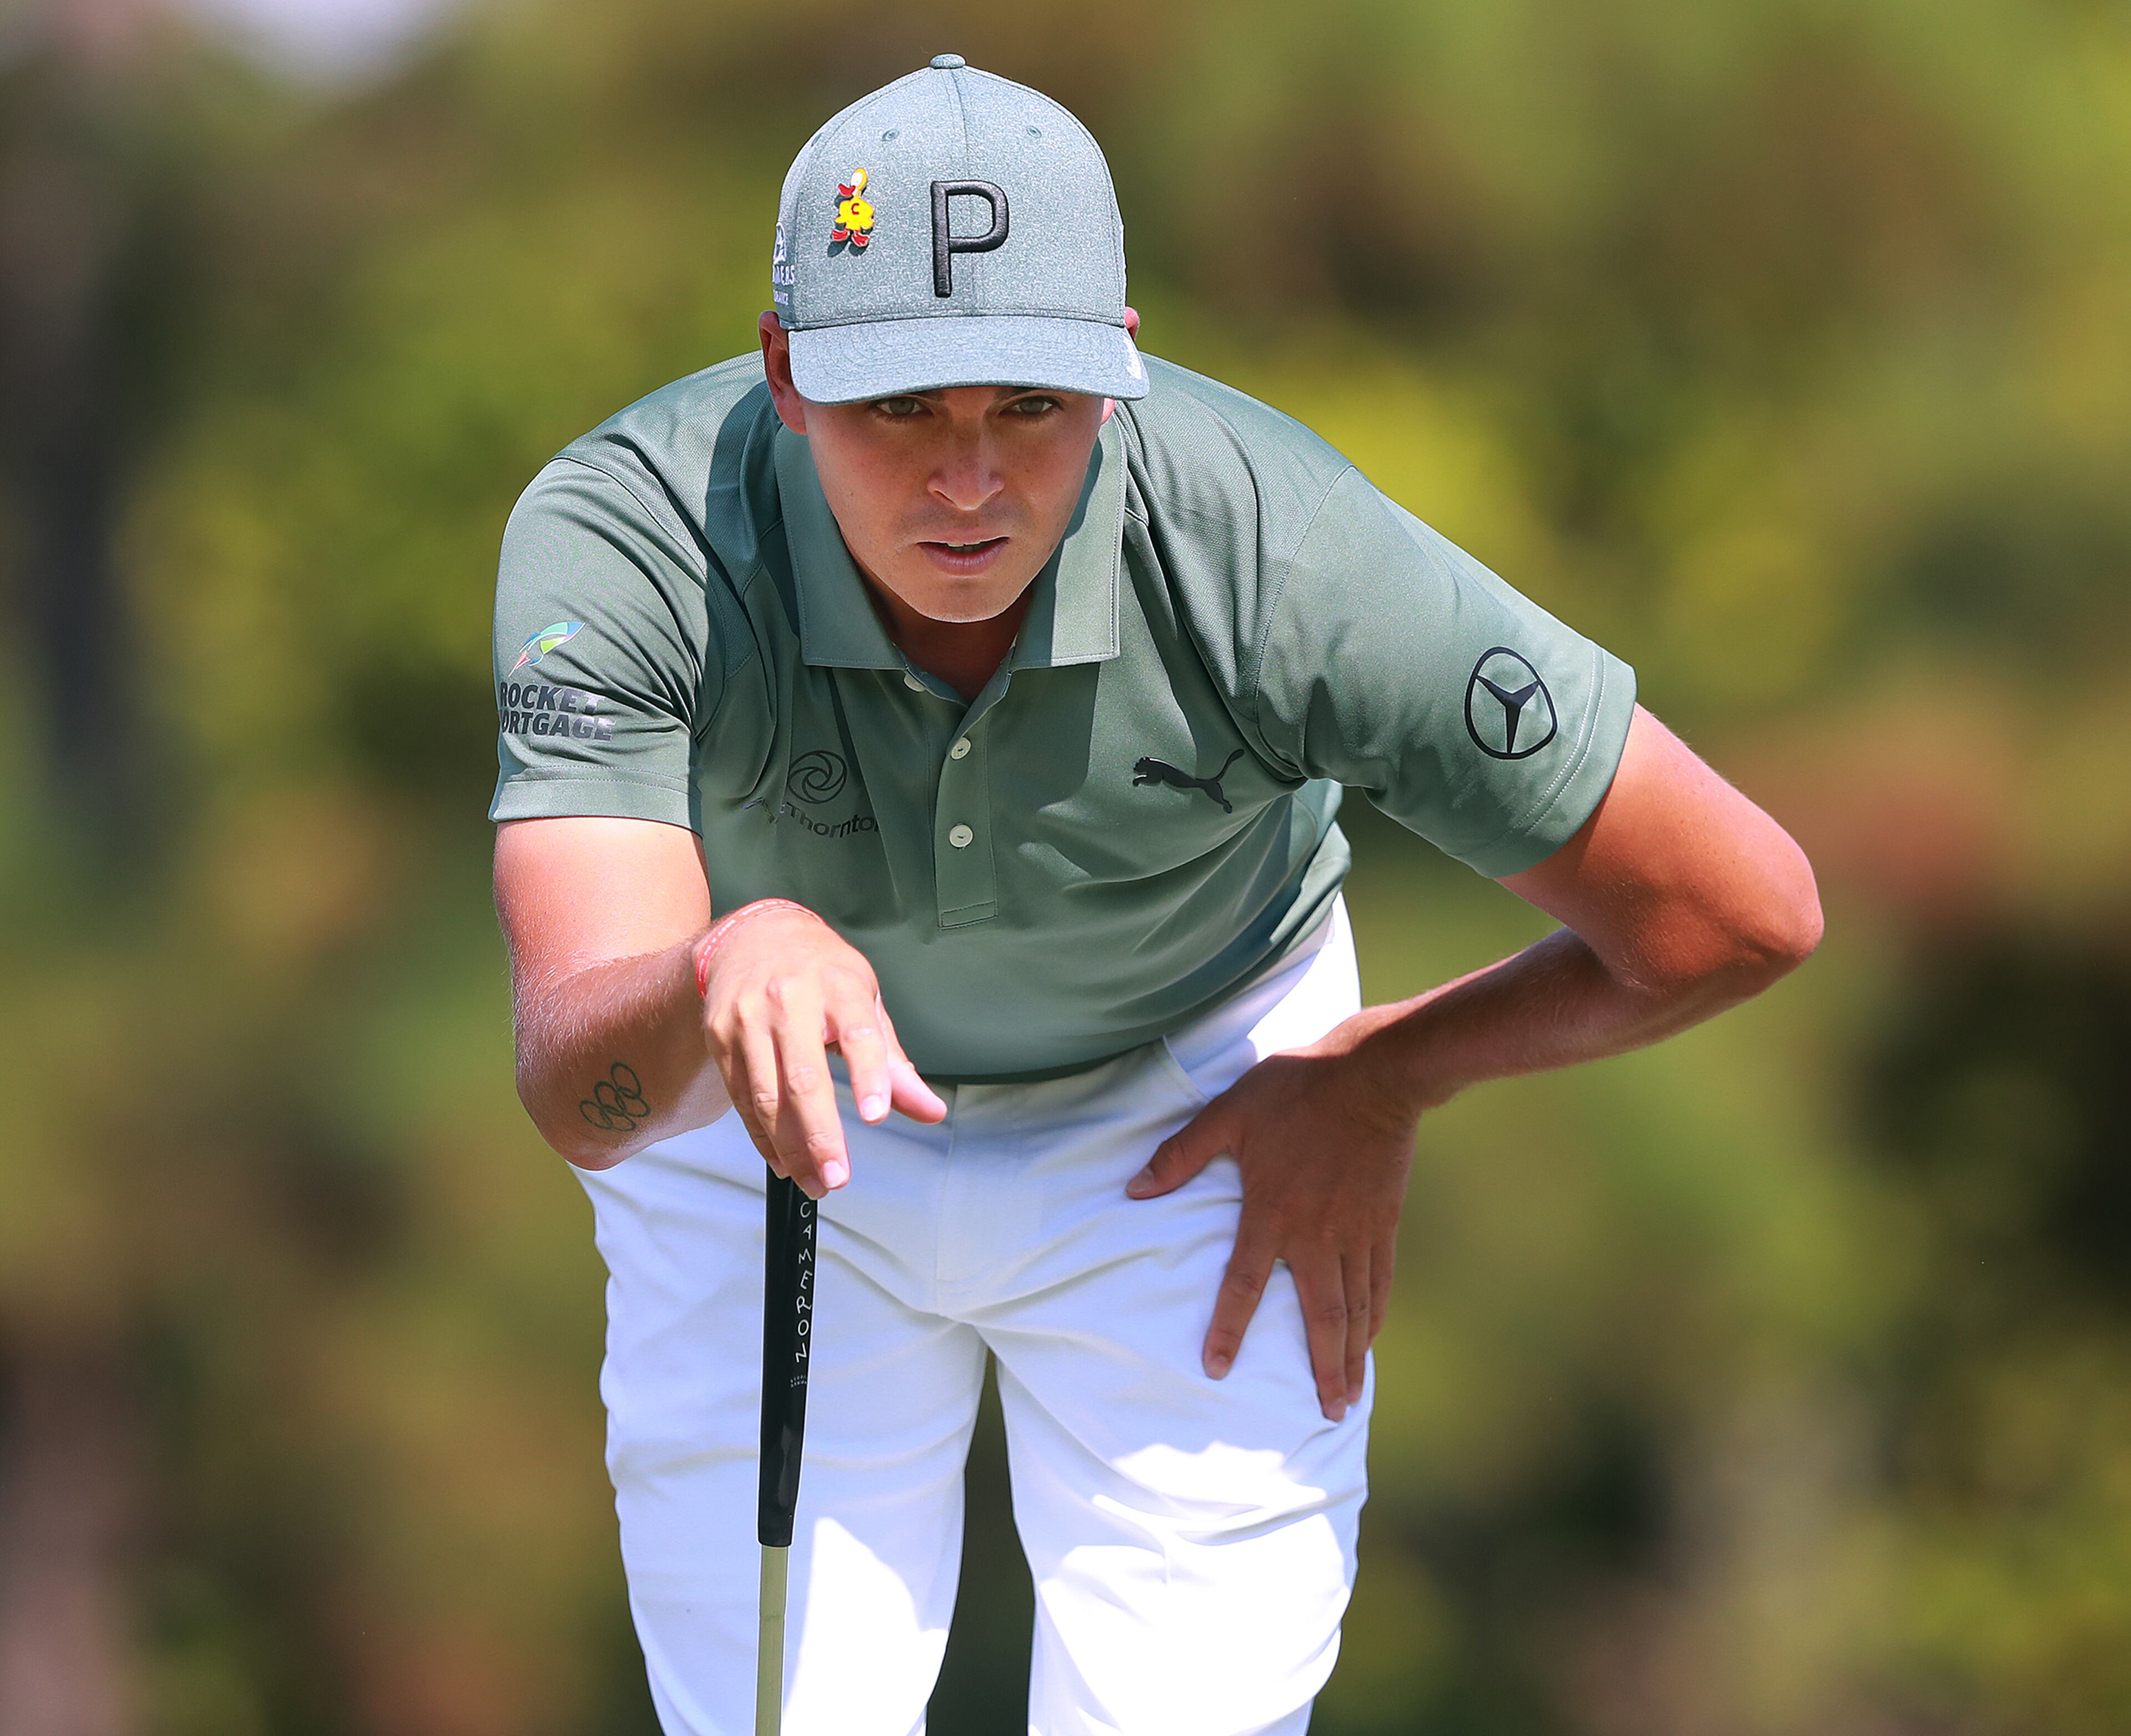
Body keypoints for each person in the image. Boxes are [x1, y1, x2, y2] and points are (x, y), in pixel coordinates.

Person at [489, 54, 1821, 1736]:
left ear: (1119, 370)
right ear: (784, 377)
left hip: (1197, 1105)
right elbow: (578, 1087)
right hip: (764, 1104)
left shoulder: (1277, 552)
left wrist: (1383, 1075)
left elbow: (1736, 909)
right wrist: (719, 969)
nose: (968, 480)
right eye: (903, 406)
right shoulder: (630, 541)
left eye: (1027, 407)